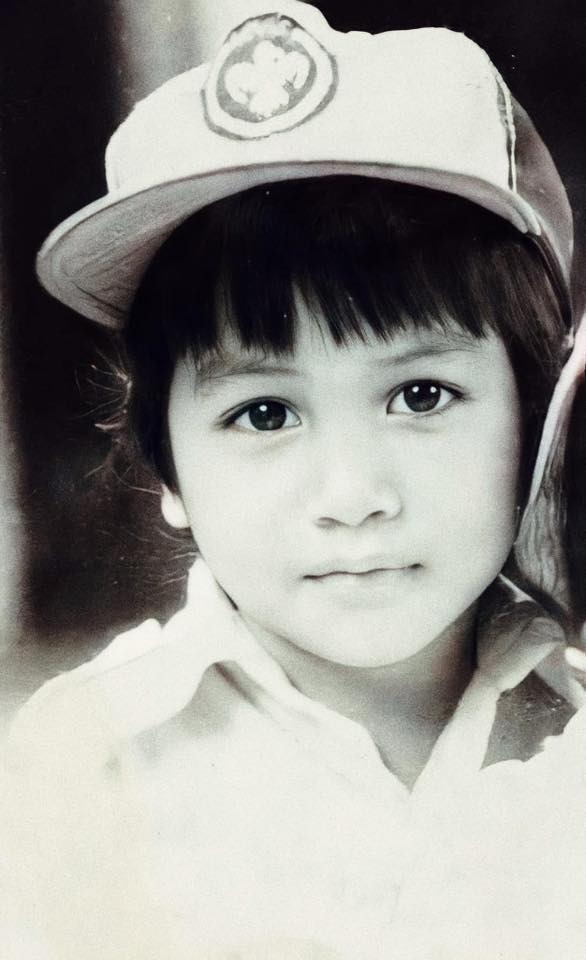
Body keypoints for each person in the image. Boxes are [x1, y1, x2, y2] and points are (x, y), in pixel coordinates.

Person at [4, 2, 586, 957]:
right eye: (266, 414)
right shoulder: (86, 766)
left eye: (422, 396)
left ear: (536, 417)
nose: (351, 495)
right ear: (168, 465)